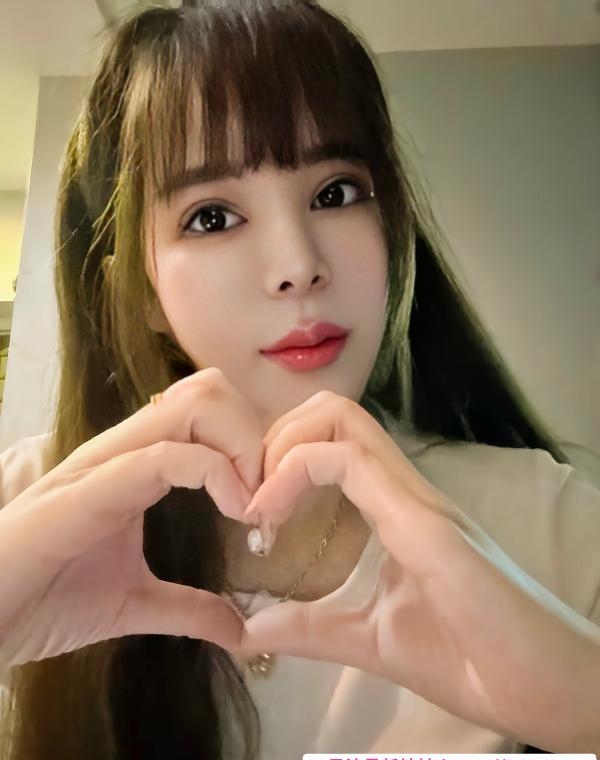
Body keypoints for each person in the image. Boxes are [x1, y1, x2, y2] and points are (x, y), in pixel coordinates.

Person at [0, 1, 599, 758]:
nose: (298, 266)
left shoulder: (548, 525)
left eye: (335, 192)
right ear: (143, 293)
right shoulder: (24, 506)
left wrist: (587, 712)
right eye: (212, 217)